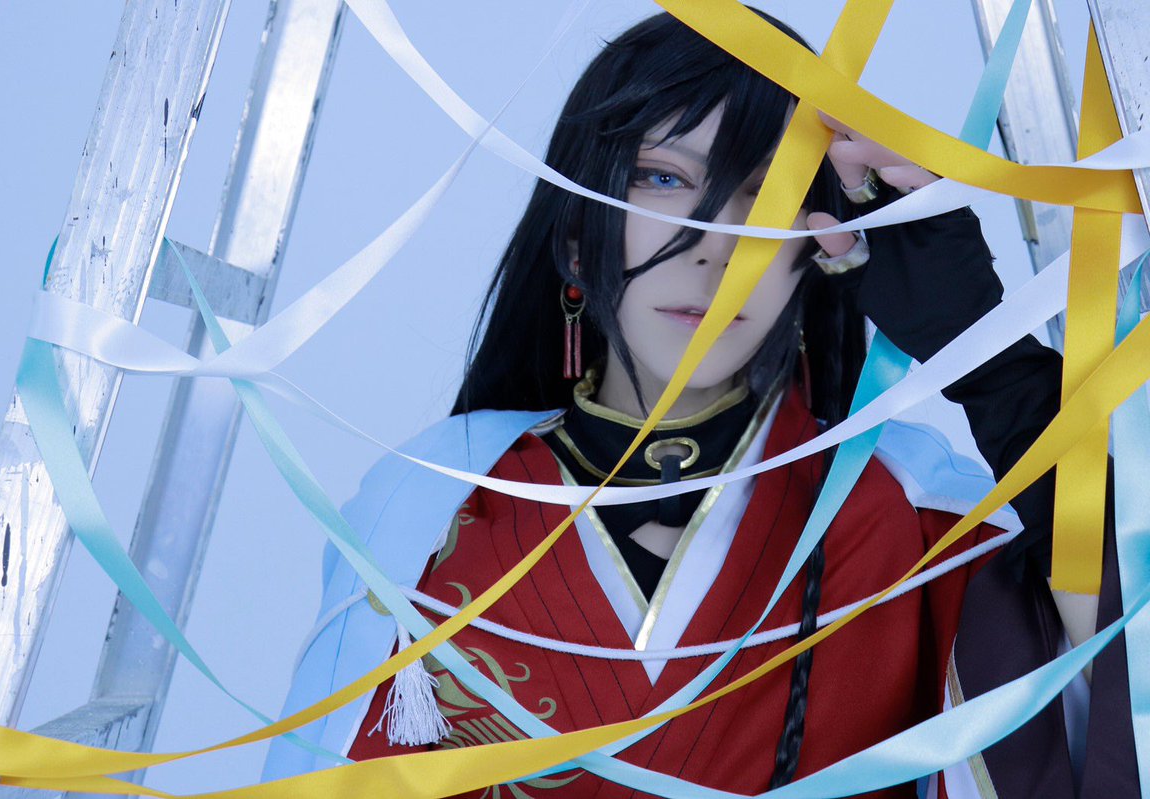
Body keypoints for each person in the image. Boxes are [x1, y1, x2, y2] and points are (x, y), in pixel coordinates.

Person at [264, 7, 1139, 797]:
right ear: (576, 236)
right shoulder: (429, 503)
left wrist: (990, 361)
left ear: (815, 247)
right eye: (662, 178)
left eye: (767, 190)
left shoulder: (907, 508)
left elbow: (1125, 677)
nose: (715, 245)